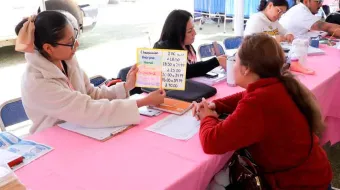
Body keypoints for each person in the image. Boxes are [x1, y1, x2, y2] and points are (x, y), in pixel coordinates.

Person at [192, 33, 332, 189]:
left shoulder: (258, 103)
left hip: (298, 184)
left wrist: (206, 117)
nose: (233, 65)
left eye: (235, 60)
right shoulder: (278, 85)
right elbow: (244, 95)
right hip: (313, 175)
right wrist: (215, 106)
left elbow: (212, 142)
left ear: (246, 69)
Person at [15, 11, 166, 134]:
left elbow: (91, 94)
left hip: (80, 131)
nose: (77, 44)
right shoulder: (37, 82)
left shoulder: (66, 61)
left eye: (75, 37)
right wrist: (142, 102)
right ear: (48, 48)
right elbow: (88, 110)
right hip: (54, 141)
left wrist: (126, 86)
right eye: (70, 42)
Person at [154, 9, 226, 78]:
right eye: (189, 31)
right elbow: (186, 71)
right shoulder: (162, 49)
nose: (194, 33)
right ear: (177, 34)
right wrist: (217, 61)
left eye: (193, 28)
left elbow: (195, 69)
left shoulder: (187, 46)